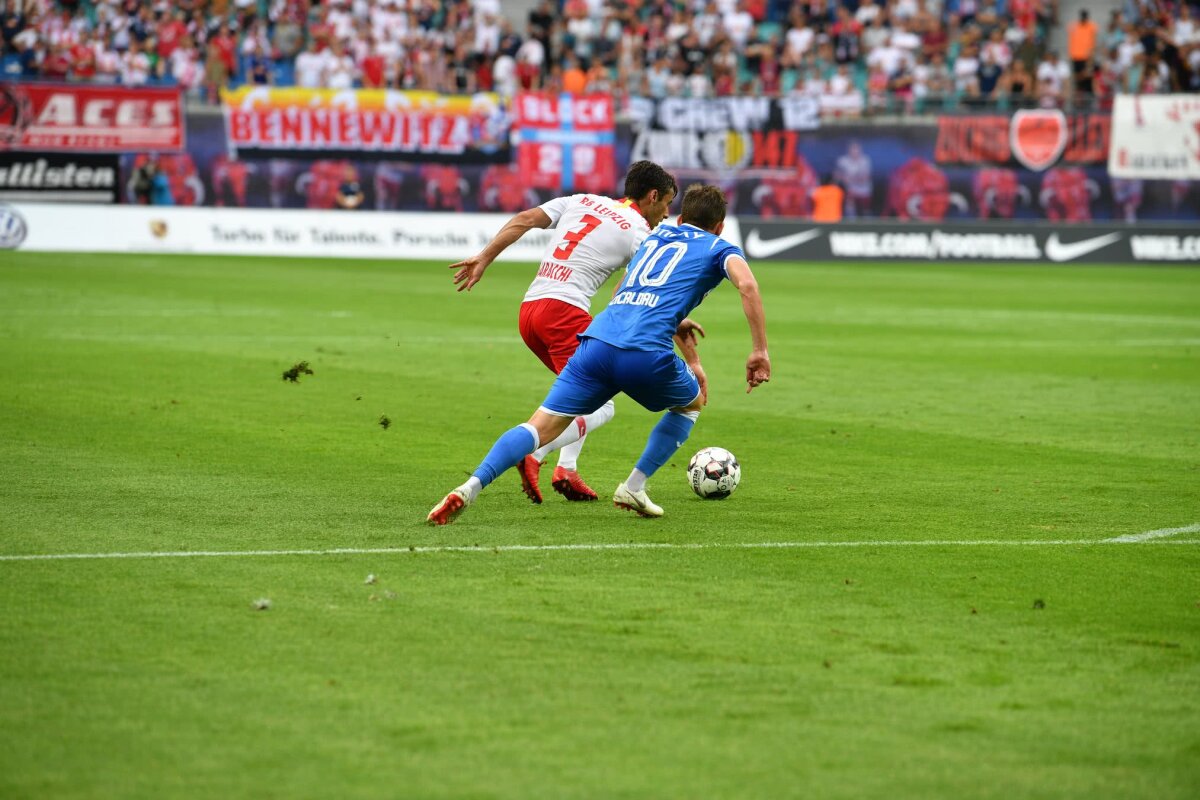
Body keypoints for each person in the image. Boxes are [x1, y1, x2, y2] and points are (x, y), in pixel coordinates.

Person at [428, 183, 771, 525]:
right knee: (690, 404)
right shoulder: (720, 247)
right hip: (644, 351)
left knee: (538, 426)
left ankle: (469, 486)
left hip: (598, 340)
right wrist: (759, 351)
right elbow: (748, 286)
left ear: (681, 218)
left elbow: (625, 287)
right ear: (720, 226)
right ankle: (634, 486)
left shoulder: (655, 238)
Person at [447, 161, 681, 504]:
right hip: (563, 314)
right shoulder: (639, 232)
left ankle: (567, 470)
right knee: (602, 406)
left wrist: (485, 256)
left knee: (582, 394)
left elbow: (524, 219)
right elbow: (643, 286)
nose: (666, 213)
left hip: (529, 312)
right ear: (653, 196)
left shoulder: (581, 200)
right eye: (667, 204)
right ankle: (536, 454)